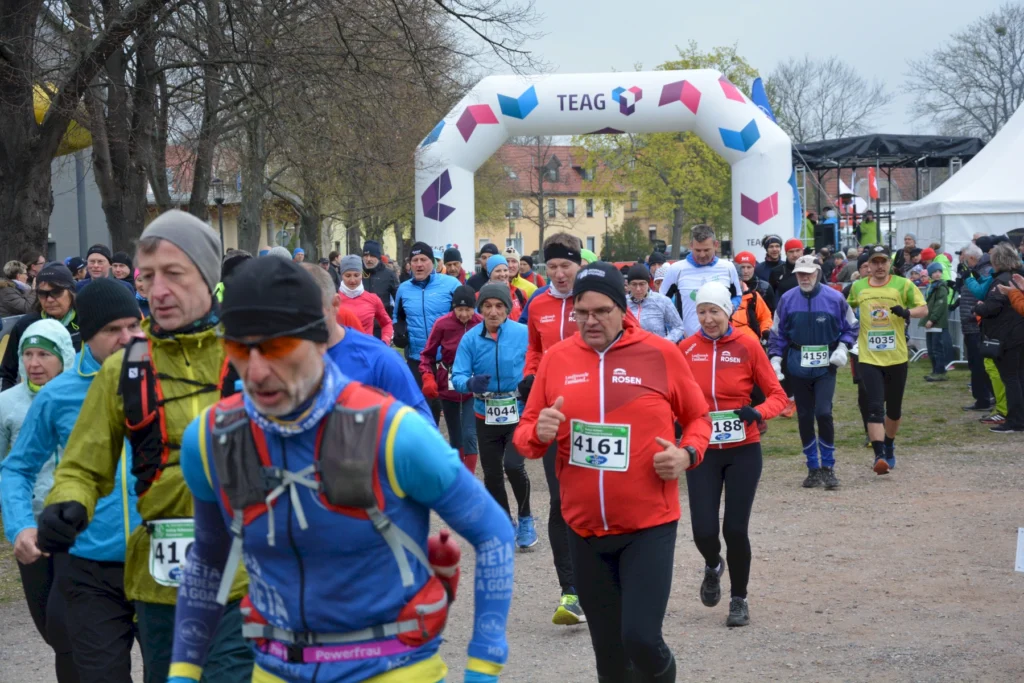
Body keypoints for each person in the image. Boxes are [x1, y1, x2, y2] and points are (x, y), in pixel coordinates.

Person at [165, 257, 514, 683]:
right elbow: (207, 557)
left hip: (391, 671)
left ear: (318, 338)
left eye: (276, 348)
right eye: (240, 349)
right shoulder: (212, 438)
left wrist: (483, 666)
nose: (256, 371)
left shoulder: (394, 432)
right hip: (275, 670)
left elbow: (493, 532)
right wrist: (182, 672)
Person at [37, 210, 253, 683]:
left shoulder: (251, 355)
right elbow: (83, 465)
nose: (158, 290)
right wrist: (67, 502)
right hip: (160, 584)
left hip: (246, 575)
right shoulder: (124, 368)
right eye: (148, 277)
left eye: (173, 274)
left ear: (207, 275)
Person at [514, 262, 712, 681]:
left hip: (648, 525)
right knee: (609, 655)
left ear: (623, 309)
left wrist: (687, 454)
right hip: (584, 529)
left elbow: (698, 419)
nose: (591, 321)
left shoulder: (660, 354)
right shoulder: (557, 359)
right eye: (581, 312)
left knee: (640, 639)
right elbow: (526, 437)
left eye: (602, 311)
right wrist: (538, 432)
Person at [2, 280, 144, 683]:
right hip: (90, 565)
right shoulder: (58, 395)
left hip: (158, 559)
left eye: (134, 326)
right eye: (113, 330)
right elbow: (17, 468)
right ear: (89, 335)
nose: (127, 338)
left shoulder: (165, 380)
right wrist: (20, 525)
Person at [679, 281, 786, 627]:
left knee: (735, 530)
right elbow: (672, 396)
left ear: (727, 312)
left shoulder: (747, 345)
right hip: (702, 449)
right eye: (702, 312)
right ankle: (713, 565)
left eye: (714, 311)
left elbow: (778, 396)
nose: (708, 319)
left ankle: (739, 598)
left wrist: (758, 412)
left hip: (743, 449)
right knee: (703, 530)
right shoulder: (685, 349)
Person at [0, 319, 78, 681]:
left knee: (67, 624)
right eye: (27, 354)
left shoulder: (83, 397)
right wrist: (17, 522)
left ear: (64, 357)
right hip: (29, 529)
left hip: (76, 527)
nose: (34, 363)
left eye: (44, 355)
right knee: (51, 627)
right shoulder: (7, 404)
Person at [518, 232, 585, 625]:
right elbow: (535, 348)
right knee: (560, 502)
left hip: (596, 414)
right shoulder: (538, 302)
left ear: (580, 265)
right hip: (554, 416)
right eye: (553, 267)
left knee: (597, 498)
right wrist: (531, 374)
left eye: (566, 266)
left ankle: (609, 580)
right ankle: (570, 591)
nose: (560, 274)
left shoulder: (595, 298)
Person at [451, 283, 536, 549]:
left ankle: (526, 519)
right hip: (485, 412)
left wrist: (532, 380)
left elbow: (540, 361)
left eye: (499, 306)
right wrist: (470, 383)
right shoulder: (470, 339)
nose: (493, 312)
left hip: (517, 411)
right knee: (491, 474)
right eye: (487, 306)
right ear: (480, 309)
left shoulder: (523, 333)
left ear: (508, 309)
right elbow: (458, 375)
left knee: (513, 465)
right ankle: (505, 522)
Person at [305, 262, 434, 426]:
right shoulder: (281, 358)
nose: (299, 317)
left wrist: (385, 341)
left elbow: (421, 425)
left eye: (310, 307)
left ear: (335, 304)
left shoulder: (382, 360)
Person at [768, 256, 858, 489]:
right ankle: (812, 468)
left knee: (824, 412)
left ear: (817, 272)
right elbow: (777, 332)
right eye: (800, 273)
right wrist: (775, 358)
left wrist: (842, 347)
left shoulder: (835, 298)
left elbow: (852, 326)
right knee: (805, 416)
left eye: (808, 273)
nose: (804, 278)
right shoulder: (787, 299)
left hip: (825, 365)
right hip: (797, 365)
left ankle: (828, 467)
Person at [846, 244, 927, 474]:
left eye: (883, 261)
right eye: (875, 262)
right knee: (874, 407)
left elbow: (923, 309)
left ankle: (889, 444)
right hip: (869, 358)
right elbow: (846, 309)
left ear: (889, 263)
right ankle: (879, 455)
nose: (879, 266)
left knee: (894, 409)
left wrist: (907, 312)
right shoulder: (858, 287)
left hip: (896, 357)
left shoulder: (903, 284)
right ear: (868, 265)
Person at [393, 242, 460, 424]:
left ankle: (457, 442)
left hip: (448, 359)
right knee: (424, 411)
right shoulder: (403, 289)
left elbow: (467, 317)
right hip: (418, 358)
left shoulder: (451, 284)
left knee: (453, 411)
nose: (419, 264)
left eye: (424, 259)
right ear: (410, 264)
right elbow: (398, 317)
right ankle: (429, 441)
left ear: (433, 262)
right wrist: (399, 333)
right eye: (415, 260)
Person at [420, 285, 482, 473]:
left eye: (468, 309)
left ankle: (469, 478)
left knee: (469, 434)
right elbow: (427, 355)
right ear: (453, 308)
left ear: (474, 307)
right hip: (448, 383)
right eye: (459, 309)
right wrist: (428, 376)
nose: (463, 314)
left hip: (472, 385)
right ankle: (458, 475)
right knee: (455, 435)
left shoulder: (481, 323)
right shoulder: (442, 324)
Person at [0, 263, 81, 391]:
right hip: (34, 397)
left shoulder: (86, 322)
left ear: (71, 292)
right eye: (42, 293)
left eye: (56, 292)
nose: (49, 299)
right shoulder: (26, 325)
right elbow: (7, 373)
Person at [658, 224, 742, 337]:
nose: (702, 255)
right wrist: (676, 331)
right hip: (689, 339)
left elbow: (737, 296)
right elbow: (661, 302)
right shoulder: (676, 269)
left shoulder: (727, 267)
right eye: (697, 250)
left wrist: (731, 307)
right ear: (691, 246)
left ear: (716, 245)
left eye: (706, 250)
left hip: (722, 338)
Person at [975, 242, 1024, 433]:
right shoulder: (1018, 277)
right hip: (1018, 334)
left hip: (1007, 337)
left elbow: (993, 307)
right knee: (1019, 378)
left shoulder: (1002, 280)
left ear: (997, 261)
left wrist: (978, 307)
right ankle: (1019, 418)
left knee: (1010, 379)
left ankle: (1015, 421)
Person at [958, 243, 995, 411]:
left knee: (979, 365)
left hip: (976, 326)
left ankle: (984, 399)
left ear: (972, 258)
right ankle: (985, 397)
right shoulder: (978, 270)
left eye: (965, 259)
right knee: (976, 364)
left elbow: (984, 296)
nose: (963, 262)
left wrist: (974, 316)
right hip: (971, 324)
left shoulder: (985, 271)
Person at [336, 255, 394, 345]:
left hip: (366, 350)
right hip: (341, 352)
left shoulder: (373, 299)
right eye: (348, 275)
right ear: (341, 276)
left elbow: (387, 323)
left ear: (362, 275)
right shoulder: (333, 300)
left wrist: (384, 342)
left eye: (356, 275)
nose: (352, 280)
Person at [625, 263, 685, 342]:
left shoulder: (662, 301)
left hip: (657, 347)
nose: (638, 289)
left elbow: (679, 327)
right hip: (630, 348)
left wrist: (665, 342)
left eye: (642, 284)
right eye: (634, 284)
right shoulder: (622, 303)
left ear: (648, 283)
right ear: (628, 285)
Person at [362, 240, 400, 339]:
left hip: (381, 328)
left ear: (378, 257)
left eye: (372, 256)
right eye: (366, 256)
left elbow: (399, 300)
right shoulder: (357, 274)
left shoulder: (389, 274)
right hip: (360, 326)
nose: (368, 259)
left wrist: (397, 323)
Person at [731, 251, 775, 334]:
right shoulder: (728, 289)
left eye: (749, 267)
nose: (745, 271)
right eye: (742, 267)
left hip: (757, 334)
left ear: (754, 267)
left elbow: (770, 315)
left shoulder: (764, 287)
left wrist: (765, 332)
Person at [922, 263, 953, 382]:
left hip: (937, 322)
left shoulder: (941, 287)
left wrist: (932, 319)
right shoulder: (931, 286)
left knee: (937, 348)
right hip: (930, 320)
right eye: (935, 272)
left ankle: (940, 372)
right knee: (931, 349)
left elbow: (940, 305)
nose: (938, 274)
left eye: (939, 271)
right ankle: (935, 370)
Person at [480, 254, 527, 323]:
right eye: (498, 271)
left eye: (505, 270)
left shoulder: (519, 293)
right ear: (489, 273)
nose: (503, 274)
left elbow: (527, 318)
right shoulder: (480, 295)